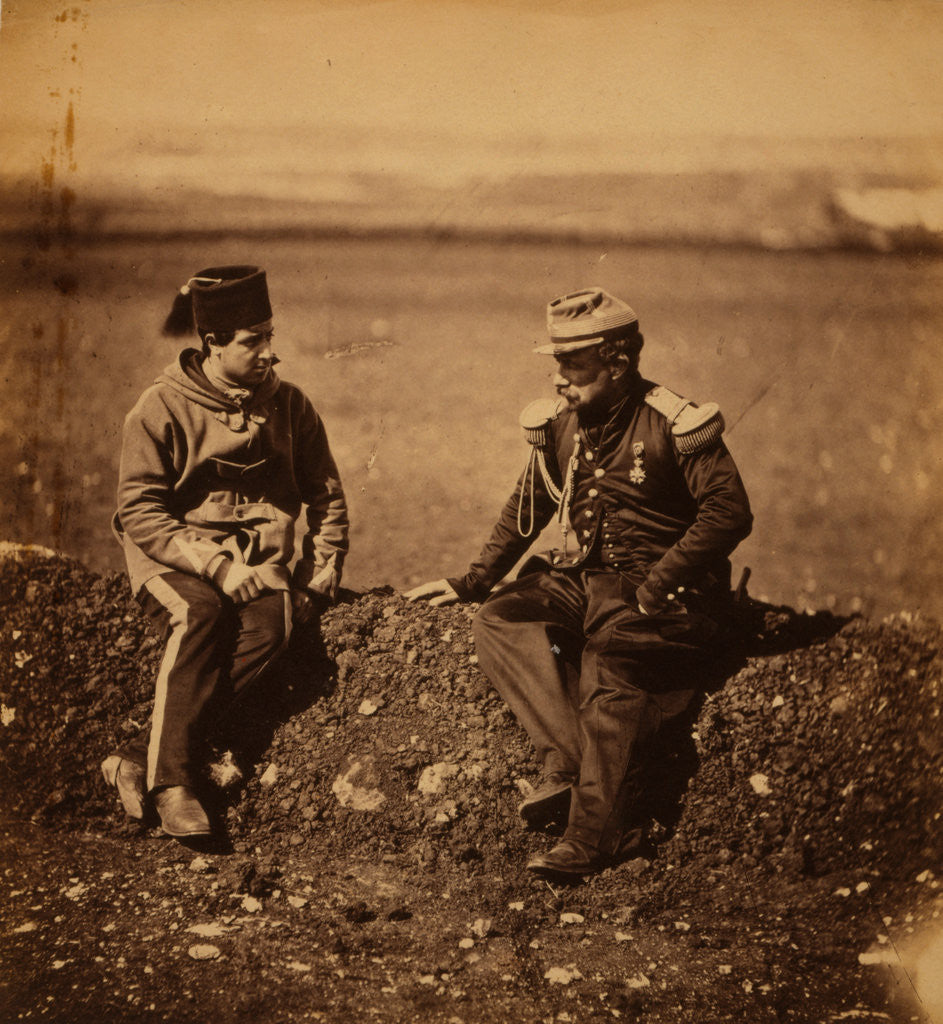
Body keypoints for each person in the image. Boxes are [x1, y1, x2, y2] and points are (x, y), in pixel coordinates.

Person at [407, 287, 752, 880]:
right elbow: (529, 503)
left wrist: (657, 585)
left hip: (670, 595)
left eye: (572, 364)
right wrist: (474, 581)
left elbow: (728, 512)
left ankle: (599, 836)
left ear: (617, 362)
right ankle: (571, 764)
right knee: (502, 618)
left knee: (611, 656)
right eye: (557, 363)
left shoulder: (673, 422)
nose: (559, 378)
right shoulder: (565, 424)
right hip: (589, 580)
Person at [102, 265, 348, 840]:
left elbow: (327, 496)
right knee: (202, 613)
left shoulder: (292, 406)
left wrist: (316, 576)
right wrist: (216, 566)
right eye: (252, 340)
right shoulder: (159, 407)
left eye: (270, 336)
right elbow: (139, 510)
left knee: (275, 628)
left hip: (257, 562)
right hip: (174, 556)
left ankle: (136, 758)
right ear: (213, 343)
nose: (269, 352)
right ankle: (172, 786)